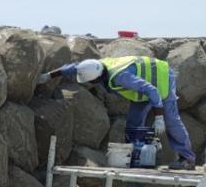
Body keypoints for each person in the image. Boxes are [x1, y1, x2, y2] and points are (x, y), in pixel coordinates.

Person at [39, 57, 196, 170]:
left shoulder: (120, 77)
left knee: (171, 120)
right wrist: (48, 76)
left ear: (97, 78)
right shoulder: (95, 66)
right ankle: (136, 156)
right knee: (133, 124)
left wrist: (159, 117)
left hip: (161, 79)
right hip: (143, 88)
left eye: (90, 81)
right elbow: (72, 68)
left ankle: (187, 159)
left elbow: (152, 91)